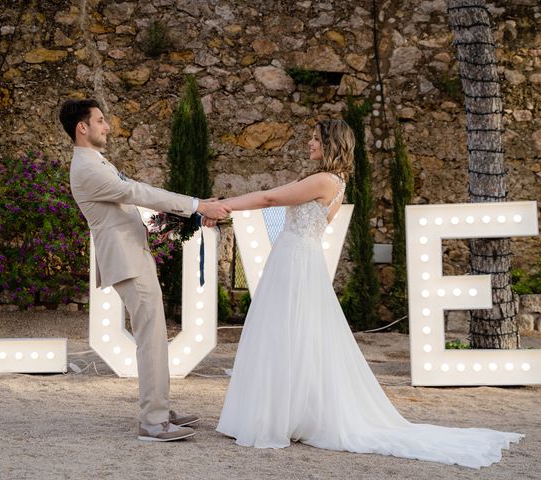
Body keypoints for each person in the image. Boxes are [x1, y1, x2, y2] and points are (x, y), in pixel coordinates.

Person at [215, 119, 523, 468]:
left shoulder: (321, 180)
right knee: (297, 336)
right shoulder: (339, 182)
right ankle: (288, 413)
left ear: (331, 145)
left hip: (294, 260)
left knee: (285, 333)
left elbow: (270, 197)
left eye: (315, 139)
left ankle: (276, 417)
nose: (309, 143)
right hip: (300, 257)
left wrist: (222, 204)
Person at [59, 99, 231, 442]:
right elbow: (137, 192)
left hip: (133, 254)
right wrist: (197, 205)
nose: (107, 126)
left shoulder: (96, 162)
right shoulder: (87, 167)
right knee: (151, 338)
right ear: (83, 127)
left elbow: (132, 201)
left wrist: (187, 213)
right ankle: (153, 422)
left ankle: (160, 409)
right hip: (125, 259)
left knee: (154, 336)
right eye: (101, 120)